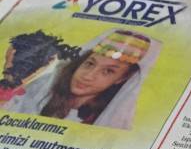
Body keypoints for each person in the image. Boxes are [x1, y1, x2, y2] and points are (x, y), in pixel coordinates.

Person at [5, 29, 159, 129]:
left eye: (108, 71)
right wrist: (10, 78)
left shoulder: (111, 119)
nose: (88, 76)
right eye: (90, 63)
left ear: (121, 79)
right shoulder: (41, 87)